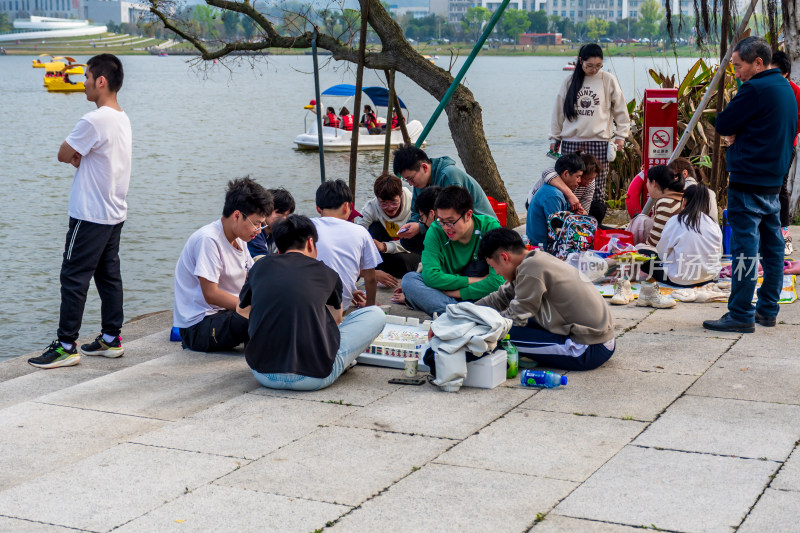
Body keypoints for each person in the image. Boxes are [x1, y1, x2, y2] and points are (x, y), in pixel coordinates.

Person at [29, 54, 133, 370]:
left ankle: (65, 346)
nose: (83, 82)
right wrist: (81, 156)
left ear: (101, 81)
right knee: (108, 276)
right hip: (114, 212)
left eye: (87, 76)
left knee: (73, 277)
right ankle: (111, 339)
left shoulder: (94, 119)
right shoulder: (121, 117)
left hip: (89, 214)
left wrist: (77, 157)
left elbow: (63, 153)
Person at [704, 37, 797, 333]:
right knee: (773, 249)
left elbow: (722, 124)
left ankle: (741, 313)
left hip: (747, 181)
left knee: (745, 250)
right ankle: (767, 309)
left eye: (739, 65)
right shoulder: (786, 89)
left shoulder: (755, 88)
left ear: (758, 62)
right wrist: (741, 132)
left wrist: (736, 134)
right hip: (773, 181)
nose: (737, 72)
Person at [241, 215, 386, 391]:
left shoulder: (260, 267)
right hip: (313, 377)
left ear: (278, 247)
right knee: (375, 314)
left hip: (263, 374)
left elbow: (241, 310)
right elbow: (337, 319)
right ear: (310, 243)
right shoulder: (327, 273)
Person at [475, 228, 615, 371]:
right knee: (505, 326)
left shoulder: (531, 270)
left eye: (494, 267)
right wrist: (471, 311)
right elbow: (501, 297)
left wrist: (478, 325)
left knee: (496, 335)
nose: (497, 272)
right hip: (602, 340)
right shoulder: (535, 260)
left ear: (505, 257)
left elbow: (515, 317)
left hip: (588, 349)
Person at [173, 178, 273, 352]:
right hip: (199, 325)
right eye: (256, 223)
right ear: (236, 216)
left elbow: (252, 276)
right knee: (262, 317)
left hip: (226, 314)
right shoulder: (209, 240)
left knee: (277, 310)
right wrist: (252, 307)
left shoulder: (240, 239)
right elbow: (211, 294)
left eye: (261, 225)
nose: (258, 231)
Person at [550, 43, 631, 225]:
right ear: (580, 62)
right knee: (569, 185)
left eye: (598, 66)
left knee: (597, 189)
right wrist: (554, 137)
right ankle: (568, 224)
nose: (594, 70)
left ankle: (592, 225)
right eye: (589, 66)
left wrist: (621, 136)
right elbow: (558, 112)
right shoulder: (569, 81)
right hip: (571, 141)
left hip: (598, 141)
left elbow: (621, 110)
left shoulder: (607, 79)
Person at [396, 186, 505, 316]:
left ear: (468, 215)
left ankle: (454, 313)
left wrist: (457, 293)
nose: (446, 228)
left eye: (451, 222)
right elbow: (431, 277)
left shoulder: (490, 228)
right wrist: (473, 280)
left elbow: (497, 281)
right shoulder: (436, 230)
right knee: (409, 280)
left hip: (466, 294)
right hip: (459, 289)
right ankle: (464, 314)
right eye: (441, 221)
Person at [393, 144, 497, 245]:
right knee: (409, 240)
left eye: (411, 178)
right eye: (406, 180)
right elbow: (416, 212)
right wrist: (410, 226)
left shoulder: (449, 175)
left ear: (424, 167)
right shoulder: (419, 183)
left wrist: (421, 227)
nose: (410, 183)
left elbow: (455, 216)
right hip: (444, 224)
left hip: (474, 227)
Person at [313, 179, 382, 310]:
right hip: (339, 307)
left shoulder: (305, 226)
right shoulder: (360, 231)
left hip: (307, 304)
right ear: (347, 206)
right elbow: (370, 278)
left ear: (318, 208)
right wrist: (370, 307)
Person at [639, 183, 722, 286]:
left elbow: (661, 253)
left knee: (642, 254)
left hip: (679, 280)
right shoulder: (713, 224)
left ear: (684, 202)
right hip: (710, 278)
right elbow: (718, 253)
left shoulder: (675, 221)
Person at [356, 173, 419, 287]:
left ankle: (380, 270)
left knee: (401, 261)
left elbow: (414, 242)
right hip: (387, 248)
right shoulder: (371, 207)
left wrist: (385, 246)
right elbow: (357, 232)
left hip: (410, 249)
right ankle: (377, 271)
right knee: (372, 230)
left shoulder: (414, 206)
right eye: (383, 203)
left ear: (401, 194)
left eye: (394, 202)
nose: (389, 208)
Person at [769, 50, 800, 255]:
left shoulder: (795, 91)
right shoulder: (762, 88)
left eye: (776, 72)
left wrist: (786, 134)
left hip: (786, 146)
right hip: (762, 148)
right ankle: (767, 235)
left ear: (786, 73)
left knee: (780, 189)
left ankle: (785, 236)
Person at [526, 153, 584, 248]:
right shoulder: (553, 195)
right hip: (542, 247)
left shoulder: (556, 191)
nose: (580, 181)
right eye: (577, 176)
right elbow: (556, 230)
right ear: (566, 174)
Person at [628, 165, 684, 250]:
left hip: (672, 253)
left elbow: (654, 243)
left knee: (640, 220)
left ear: (654, 183)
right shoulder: (678, 196)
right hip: (679, 247)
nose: (646, 185)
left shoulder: (665, 202)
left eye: (647, 182)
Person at [525, 151, 599, 214]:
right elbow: (546, 172)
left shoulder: (590, 182)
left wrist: (582, 213)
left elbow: (584, 207)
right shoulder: (555, 174)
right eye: (586, 178)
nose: (589, 182)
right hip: (536, 205)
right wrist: (570, 195)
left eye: (592, 179)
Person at [247, 188, 295, 258]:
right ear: (265, 210)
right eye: (280, 214)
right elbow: (264, 262)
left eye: (286, 215)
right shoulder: (254, 234)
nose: (284, 219)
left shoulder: (276, 232)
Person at [668, 158, 718, 222]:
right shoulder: (710, 193)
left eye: (673, 177)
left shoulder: (678, 191)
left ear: (684, 173)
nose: (671, 181)